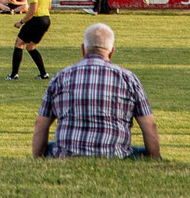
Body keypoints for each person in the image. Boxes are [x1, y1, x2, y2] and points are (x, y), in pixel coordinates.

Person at [33, 23, 160, 159]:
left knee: (51, 146)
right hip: (114, 155)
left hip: (68, 155)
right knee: (139, 151)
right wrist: (154, 157)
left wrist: (37, 157)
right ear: (111, 52)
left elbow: (41, 123)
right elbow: (149, 125)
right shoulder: (128, 79)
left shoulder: (60, 78)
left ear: (83, 49)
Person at [10, 0, 53, 81]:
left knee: (19, 43)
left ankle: (14, 74)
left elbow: (33, 10)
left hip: (37, 20)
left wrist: (21, 22)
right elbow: (49, 7)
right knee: (30, 46)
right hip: (46, 20)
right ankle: (44, 74)